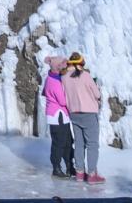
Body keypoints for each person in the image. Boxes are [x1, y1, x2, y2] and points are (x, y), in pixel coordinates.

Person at [62, 52, 104, 183]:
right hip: (89, 113)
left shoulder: (64, 77)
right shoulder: (85, 76)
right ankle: (92, 174)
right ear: (81, 64)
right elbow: (97, 94)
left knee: (79, 144)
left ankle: (79, 173)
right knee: (92, 144)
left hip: (74, 114)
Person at [42, 55, 75, 178]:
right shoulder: (54, 81)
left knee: (68, 141)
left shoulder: (54, 78)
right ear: (57, 67)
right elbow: (62, 100)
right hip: (57, 116)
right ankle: (56, 168)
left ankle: (69, 166)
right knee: (59, 143)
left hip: (62, 116)